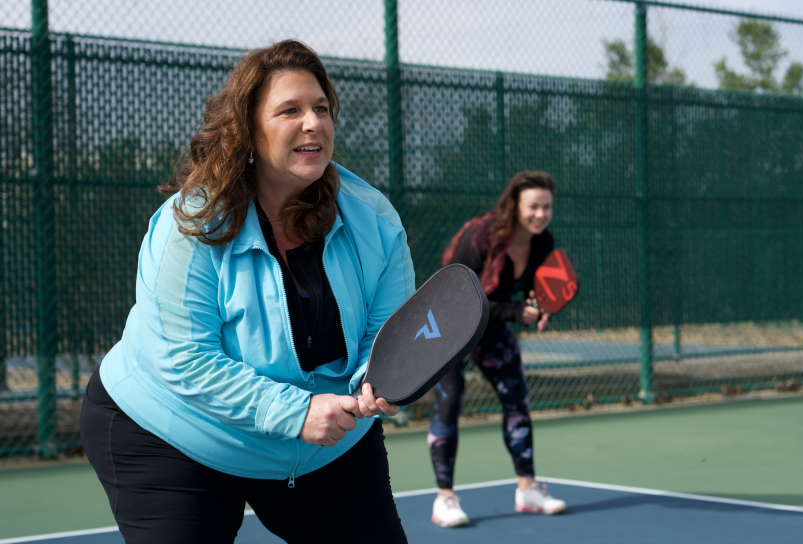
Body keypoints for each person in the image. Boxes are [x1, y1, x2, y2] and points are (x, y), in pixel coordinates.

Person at [79, 40, 414, 543]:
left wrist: (374, 383)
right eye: (290, 110)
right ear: (248, 131)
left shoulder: (375, 218)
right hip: (173, 431)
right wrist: (296, 412)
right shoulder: (188, 225)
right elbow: (184, 358)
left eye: (321, 109)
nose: (313, 123)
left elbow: (387, 333)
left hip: (324, 443)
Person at [428, 171, 567, 528]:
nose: (540, 214)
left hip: (493, 327)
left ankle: (528, 489)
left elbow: (536, 288)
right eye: (533, 206)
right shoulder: (481, 236)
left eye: (546, 207)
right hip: (450, 326)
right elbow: (459, 292)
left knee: (517, 400)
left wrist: (540, 306)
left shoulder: (542, 242)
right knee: (451, 400)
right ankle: (444, 499)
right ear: (514, 206)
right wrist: (517, 311)